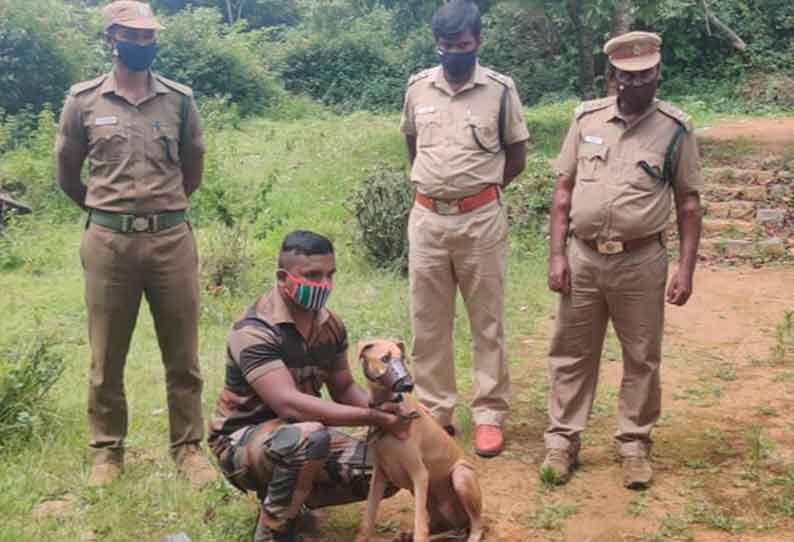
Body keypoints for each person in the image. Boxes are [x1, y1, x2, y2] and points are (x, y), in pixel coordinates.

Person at [55, 1, 215, 487]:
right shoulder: (83, 101)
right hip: (109, 243)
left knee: (182, 353)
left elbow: (193, 166)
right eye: (131, 36)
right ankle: (107, 452)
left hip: (171, 240)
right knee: (106, 356)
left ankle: (188, 449)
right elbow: (67, 172)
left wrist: (163, 212)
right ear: (110, 40)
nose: (142, 44)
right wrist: (106, 212)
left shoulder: (179, 100)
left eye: (148, 37)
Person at [541, 31, 704, 489]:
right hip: (584, 258)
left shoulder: (675, 129)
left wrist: (686, 269)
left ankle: (634, 444)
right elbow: (563, 193)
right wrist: (557, 255)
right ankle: (562, 440)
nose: (637, 83)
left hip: (641, 262)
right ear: (613, 76)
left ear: (658, 73)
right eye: (628, 76)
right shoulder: (586, 119)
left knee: (641, 356)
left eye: (646, 74)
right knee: (571, 353)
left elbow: (689, 205)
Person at [208, 230, 411, 542]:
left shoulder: (330, 326)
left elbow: (343, 387)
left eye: (330, 275)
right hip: (241, 441)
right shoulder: (254, 330)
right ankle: (274, 531)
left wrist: (380, 408)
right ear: (282, 277)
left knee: (389, 466)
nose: (324, 285)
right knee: (308, 436)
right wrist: (373, 419)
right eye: (312, 275)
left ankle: (294, 501)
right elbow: (288, 404)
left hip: (302, 432)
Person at [399, 0, 529, 458]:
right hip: (428, 220)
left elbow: (516, 157)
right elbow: (412, 144)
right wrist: (441, 192)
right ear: (437, 45)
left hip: (481, 221)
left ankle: (490, 413)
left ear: (479, 43)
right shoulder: (418, 89)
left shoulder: (499, 91)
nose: (454, 54)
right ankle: (437, 410)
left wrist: (477, 193)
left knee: (486, 321)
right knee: (428, 322)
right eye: (446, 47)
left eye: (463, 46)